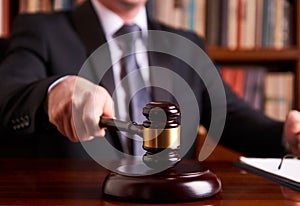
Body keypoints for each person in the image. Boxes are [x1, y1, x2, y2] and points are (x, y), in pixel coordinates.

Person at [0, 0, 299, 159]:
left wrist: (287, 136)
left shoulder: (188, 44)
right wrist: (55, 91)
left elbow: (231, 116)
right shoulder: (42, 29)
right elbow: (8, 96)